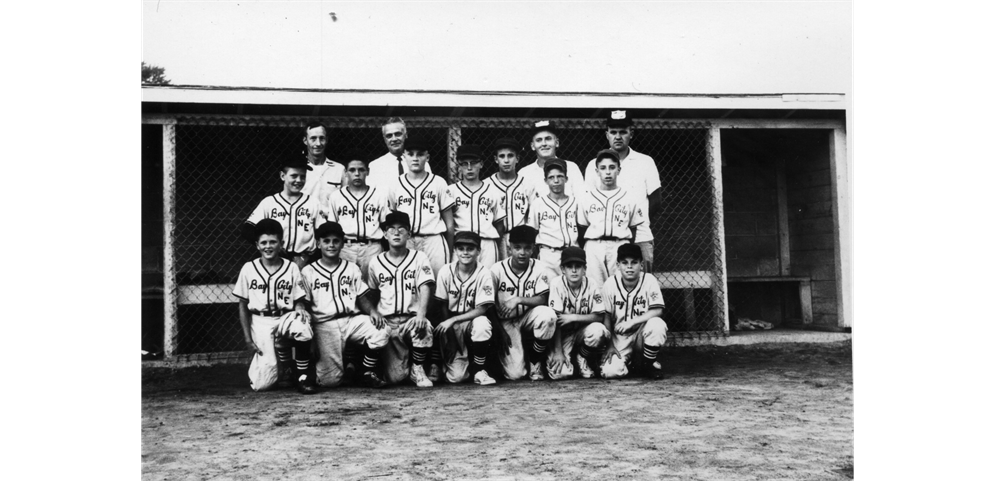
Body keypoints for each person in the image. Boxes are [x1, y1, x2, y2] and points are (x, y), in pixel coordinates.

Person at [300, 221, 390, 389]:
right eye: (326, 241)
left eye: (335, 241)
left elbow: (361, 297)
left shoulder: (351, 268)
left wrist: (373, 311)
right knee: (330, 382)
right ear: (318, 243)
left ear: (342, 243)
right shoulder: (308, 271)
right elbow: (304, 304)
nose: (331, 245)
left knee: (381, 329)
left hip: (351, 320)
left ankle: (366, 372)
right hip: (324, 325)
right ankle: (346, 364)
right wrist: (311, 338)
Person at [233, 219, 317, 394]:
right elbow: (242, 305)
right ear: (257, 245)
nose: (268, 246)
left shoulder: (292, 267)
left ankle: (302, 375)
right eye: (264, 242)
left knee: (302, 326)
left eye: (273, 242)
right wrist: (248, 339)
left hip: (285, 316)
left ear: (281, 243)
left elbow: (299, 297)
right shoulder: (249, 268)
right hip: (261, 320)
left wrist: (300, 306)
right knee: (262, 385)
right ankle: (285, 366)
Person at [585, 110, 662, 271]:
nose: (618, 136)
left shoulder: (645, 162)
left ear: (631, 133)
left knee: (640, 286)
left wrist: (634, 222)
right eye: (613, 132)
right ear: (607, 134)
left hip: (639, 236)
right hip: (606, 241)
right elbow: (588, 204)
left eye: (623, 132)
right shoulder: (594, 164)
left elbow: (656, 201)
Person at [366, 212, 437, 387]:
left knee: (425, 326)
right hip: (388, 322)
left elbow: (425, 286)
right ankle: (396, 365)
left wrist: (421, 314)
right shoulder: (375, 262)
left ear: (409, 234)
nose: (396, 233)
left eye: (401, 229)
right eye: (391, 229)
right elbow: (372, 294)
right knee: (396, 378)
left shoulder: (419, 257)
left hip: (411, 319)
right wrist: (374, 313)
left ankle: (418, 368)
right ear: (385, 234)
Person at [428, 231, 499, 386]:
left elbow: (482, 309)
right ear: (455, 250)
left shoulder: (484, 273)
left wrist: (454, 320)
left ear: (478, 251)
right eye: (461, 248)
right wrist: (452, 338)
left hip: (470, 320)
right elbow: (442, 306)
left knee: (482, 323)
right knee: (456, 378)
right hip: (449, 322)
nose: (465, 252)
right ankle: (442, 364)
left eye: (470, 248)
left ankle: (479, 370)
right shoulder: (446, 270)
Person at [489, 225, 557, 381]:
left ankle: (535, 360)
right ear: (509, 246)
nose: (522, 252)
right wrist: (499, 330)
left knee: (548, 316)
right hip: (506, 322)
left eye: (527, 248)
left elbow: (543, 299)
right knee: (516, 375)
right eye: (517, 247)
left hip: (527, 316)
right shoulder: (497, 269)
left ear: (533, 248)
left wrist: (519, 299)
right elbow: (488, 304)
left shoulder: (539, 267)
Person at [386, 134, 456, 276]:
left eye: (420, 154)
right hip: (407, 240)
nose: (415, 158)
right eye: (411, 154)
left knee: (438, 283)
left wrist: (448, 250)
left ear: (427, 157)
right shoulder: (395, 184)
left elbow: (449, 224)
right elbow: (392, 218)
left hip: (433, 240)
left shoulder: (438, 182)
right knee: (408, 283)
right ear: (404, 156)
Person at [576, 149, 646, 285]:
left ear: (619, 170)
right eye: (603, 168)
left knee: (621, 287)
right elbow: (582, 227)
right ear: (597, 171)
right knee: (595, 287)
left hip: (620, 244)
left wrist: (625, 247)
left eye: (612, 167)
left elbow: (633, 228)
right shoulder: (587, 198)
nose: (607, 172)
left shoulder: (629, 197)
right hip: (594, 246)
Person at [600, 243, 668, 379]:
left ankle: (647, 364)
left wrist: (631, 322)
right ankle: (631, 363)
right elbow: (606, 316)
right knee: (611, 372)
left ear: (641, 265)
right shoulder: (610, 284)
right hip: (619, 338)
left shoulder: (649, 280)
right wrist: (610, 345)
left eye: (634, 262)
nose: (629, 267)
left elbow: (658, 310)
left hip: (641, 333)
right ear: (618, 265)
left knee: (657, 325)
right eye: (625, 263)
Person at [243, 155, 323, 268]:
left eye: (302, 176)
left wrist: (310, 257)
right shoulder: (270, 202)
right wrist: (271, 248)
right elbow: (248, 229)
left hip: (306, 262)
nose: (299, 180)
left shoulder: (313, 203)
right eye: (294, 176)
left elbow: (322, 234)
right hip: (276, 260)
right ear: (282, 176)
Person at [545, 246, 610, 380]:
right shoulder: (556, 284)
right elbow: (555, 320)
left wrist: (573, 317)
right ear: (562, 269)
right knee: (561, 374)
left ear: (585, 269)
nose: (574, 270)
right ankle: (560, 357)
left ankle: (582, 357)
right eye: (569, 266)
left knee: (598, 331)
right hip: (562, 335)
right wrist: (558, 352)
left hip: (582, 331)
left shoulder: (591, 284)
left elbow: (599, 316)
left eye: (578, 266)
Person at [325, 148, 389, 281]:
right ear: (346, 172)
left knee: (373, 287)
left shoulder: (378, 195)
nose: (357, 174)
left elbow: (385, 224)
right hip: (346, 248)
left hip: (372, 247)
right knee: (345, 285)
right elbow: (332, 226)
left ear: (368, 171)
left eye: (361, 170)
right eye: (352, 170)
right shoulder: (336, 196)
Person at [447, 144, 507, 268]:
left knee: (487, 282)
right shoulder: (451, 191)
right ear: (459, 165)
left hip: (486, 242)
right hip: (461, 243)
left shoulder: (492, 191)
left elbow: (499, 225)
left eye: (474, 163)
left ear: (481, 164)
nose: (469, 168)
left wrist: (492, 243)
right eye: (464, 163)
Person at [483, 137, 535, 258]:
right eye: (502, 156)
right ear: (496, 159)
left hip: (521, 238)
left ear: (517, 158)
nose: (506, 160)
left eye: (510, 156)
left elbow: (533, 217)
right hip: (497, 238)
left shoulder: (527, 185)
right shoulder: (486, 185)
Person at [527, 159, 579, 275]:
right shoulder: (538, 203)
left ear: (566, 179)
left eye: (560, 176)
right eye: (551, 177)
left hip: (572, 252)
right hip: (549, 253)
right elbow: (532, 231)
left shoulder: (575, 203)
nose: (556, 181)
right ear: (545, 181)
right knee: (549, 289)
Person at [517, 120, 586, 199]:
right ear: (532, 146)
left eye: (548, 139)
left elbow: (582, 201)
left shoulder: (571, 168)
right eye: (539, 140)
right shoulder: (524, 173)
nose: (544, 144)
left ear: (556, 143)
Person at [367, 117, 432, 187]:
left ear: (406, 135)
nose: (394, 139)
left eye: (397, 134)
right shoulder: (376, 166)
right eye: (389, 136)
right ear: (384, 139)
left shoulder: (420, 162)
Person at [301, 121, 346, 207]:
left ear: (327, 140)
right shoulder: (298, 169)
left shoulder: (339, 169)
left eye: (322, 138)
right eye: (313, 138)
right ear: (305, 140)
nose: (318, 143)